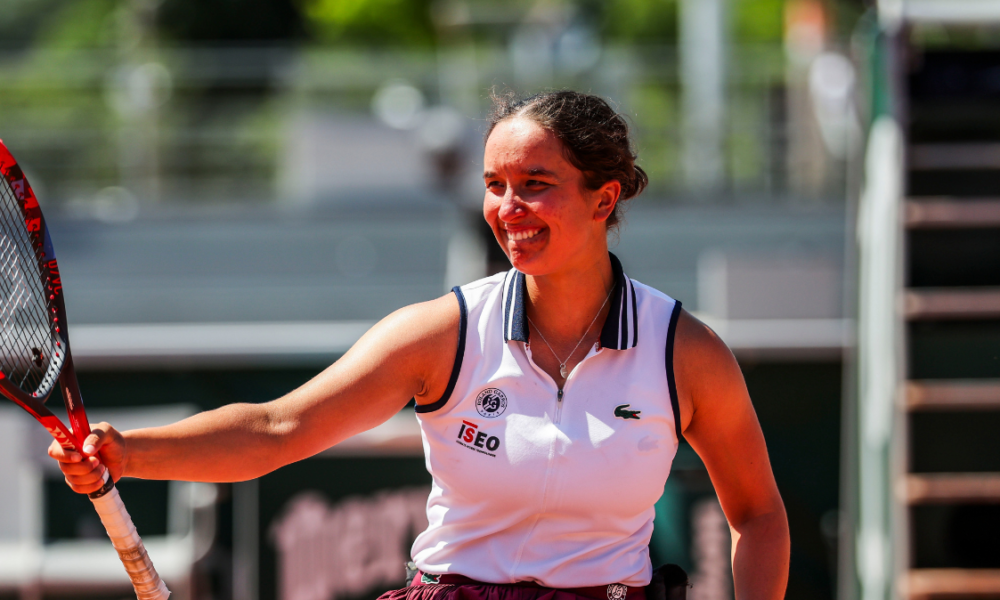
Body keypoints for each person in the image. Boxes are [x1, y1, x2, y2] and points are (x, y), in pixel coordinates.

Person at [50, 90, 790, 600]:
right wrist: (127, 454)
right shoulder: (440, 332)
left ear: (604, 198)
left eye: (536, 183)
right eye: (495, 184)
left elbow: (757, 513)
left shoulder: (686, 351)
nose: (508, 208)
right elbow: (280, 428)